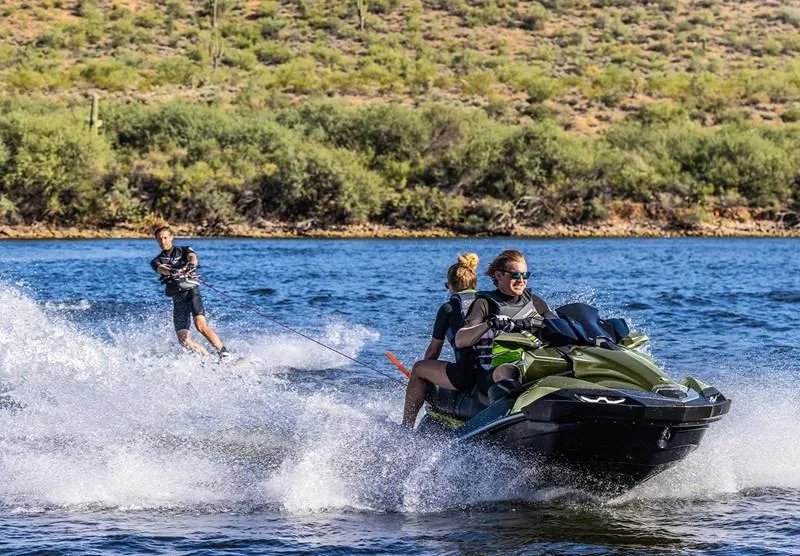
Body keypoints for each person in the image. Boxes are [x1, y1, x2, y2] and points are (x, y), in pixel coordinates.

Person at [454, 249, 553, 398]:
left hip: (530, 363)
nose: (521, 280)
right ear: (498, 275)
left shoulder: (535, 302)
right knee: (508, 371)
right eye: (515, 275)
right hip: (493, 370)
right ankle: (511, 406)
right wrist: (490, 324)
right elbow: (460, 340)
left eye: (525, 275)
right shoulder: (484, 303)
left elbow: (556, 323)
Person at [402, 253, 480, 428]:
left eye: (447, 286)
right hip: (489, 370)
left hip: (466, 375)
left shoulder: (448, 308)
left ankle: (405, 427)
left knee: (419, 368)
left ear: (451, 286)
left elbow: (433, 352)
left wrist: (424, 379)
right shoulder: (488, 302)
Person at [150, 226, 230, 358]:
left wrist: (191, 265)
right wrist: (172, 271)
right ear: (156, 240)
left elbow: (192, 257)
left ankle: (224, 353)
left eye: (165, 238)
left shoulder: (184, 250)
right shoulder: (156, 261)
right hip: (178, 298)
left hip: (192, 293)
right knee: (184, 340)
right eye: (159, 239)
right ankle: (209, 359)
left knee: (200, 326)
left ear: (171, 237)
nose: (163, 241)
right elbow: (161, 268)